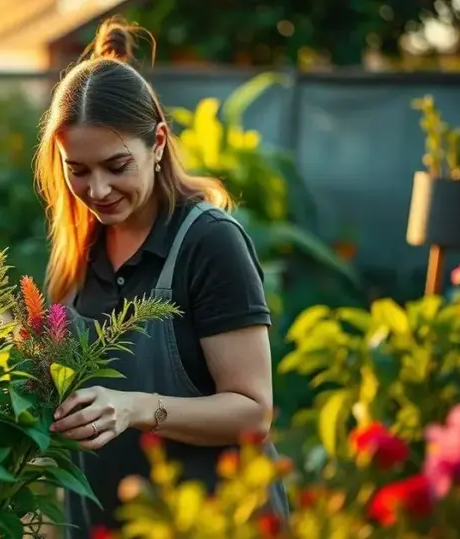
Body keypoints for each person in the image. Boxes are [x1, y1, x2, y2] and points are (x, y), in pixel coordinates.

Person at [34, 17, 289, 535]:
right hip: (101, 520)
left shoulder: (207, 242)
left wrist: (135, 408)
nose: (98, 189)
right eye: (77, 170)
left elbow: (253, 413)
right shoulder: (78, 244)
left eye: (116, 165)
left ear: (158, 143)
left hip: (207, 521)